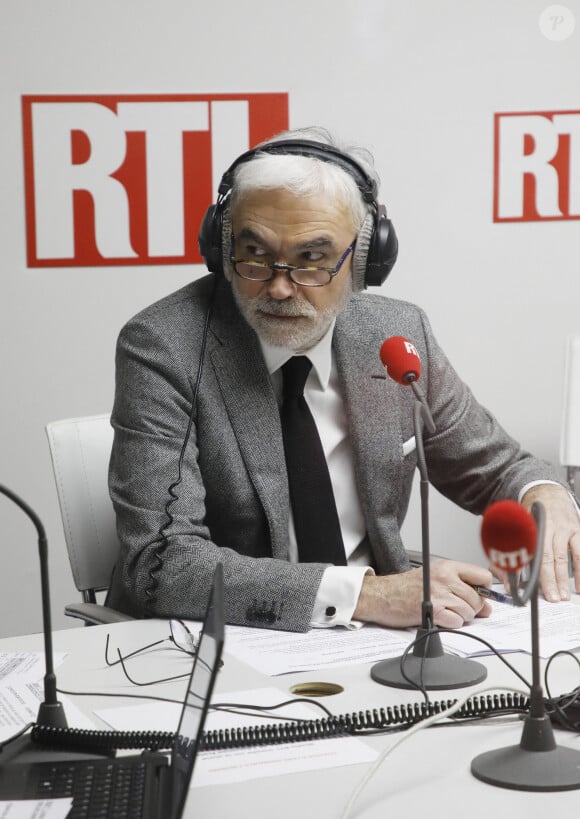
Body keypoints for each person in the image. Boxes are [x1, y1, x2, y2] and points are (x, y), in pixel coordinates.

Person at [105, 126, 580, 632]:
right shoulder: (166, 345)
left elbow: (495, 467)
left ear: (364, 261)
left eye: (313, 259)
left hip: (376, 641)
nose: (281, 288)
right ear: (221, 247)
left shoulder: (397, 334)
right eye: (256, 256)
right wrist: (365, 594)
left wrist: (543, 490)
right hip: (233, 639)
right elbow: (160, 564)